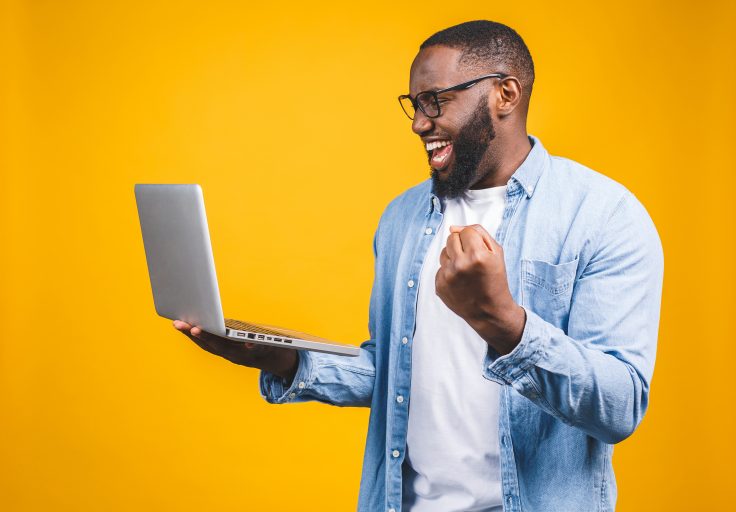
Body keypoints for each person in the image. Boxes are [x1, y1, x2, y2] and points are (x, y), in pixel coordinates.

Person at [174, 20, 663, 512]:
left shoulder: (603, 215)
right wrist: (282, 358)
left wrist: (502, 322)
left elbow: (620, 407)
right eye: (413, 104)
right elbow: (396, 376)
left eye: (436, 100)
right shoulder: (403, 218)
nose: (418, 123)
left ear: (506, 94)